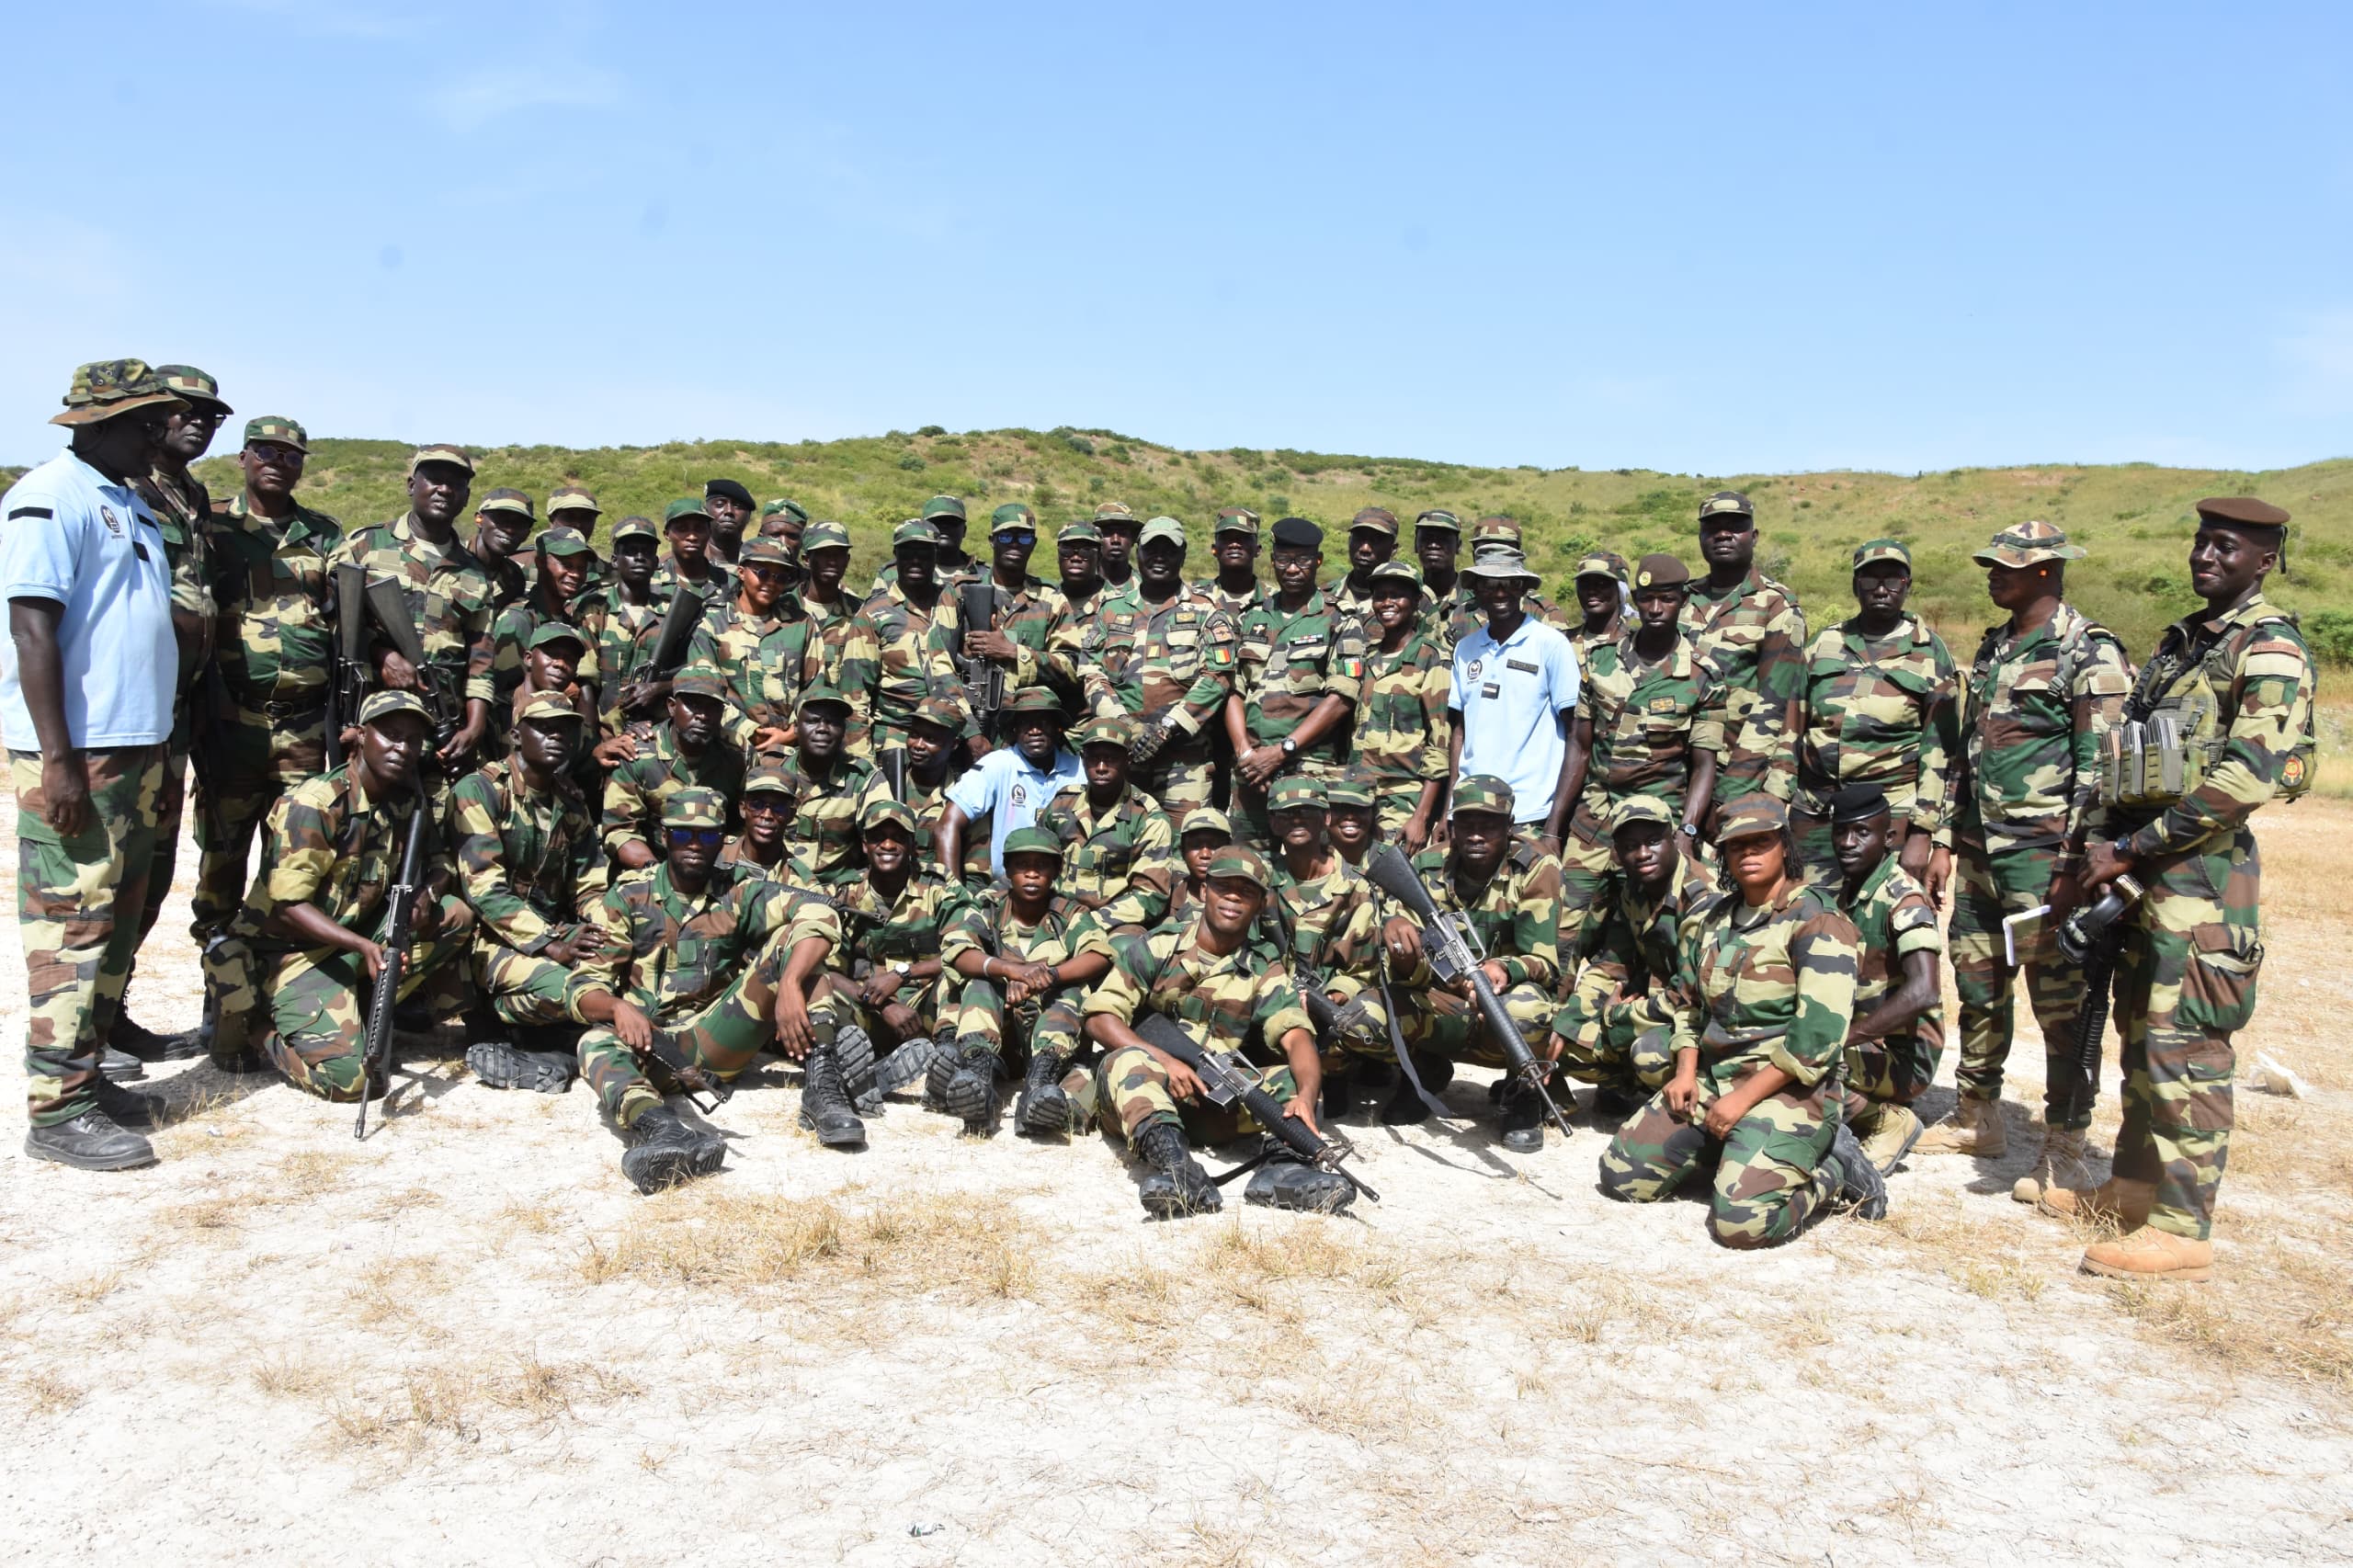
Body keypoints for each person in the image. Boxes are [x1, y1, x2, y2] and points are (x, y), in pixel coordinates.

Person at [2063, 497, 2316, 1282]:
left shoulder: (2268, 644)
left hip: (2204, 880)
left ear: (2265, 558)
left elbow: (2251, 774)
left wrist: (2135, 847)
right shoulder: (2184, 643)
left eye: (2227, 545)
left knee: (2191, 1048)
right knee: (2143, 1037)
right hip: (2147, 874)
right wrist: (2106, 842)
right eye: (2202, 541)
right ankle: (2135, 1188)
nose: (2207, 554)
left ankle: (2183, 1226)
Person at [6, 361, 188, 1167]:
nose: (158, 435)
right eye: (146, 422)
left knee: (117, 922)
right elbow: (34, 629)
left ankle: (87, 1078)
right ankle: (57, 1112)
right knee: (70, 930)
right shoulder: (53, 495)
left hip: (138, 748)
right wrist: (59, 760)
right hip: (82, 753)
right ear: (96, 424)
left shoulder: (127, 500)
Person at [1920, 521, 2131, 1179]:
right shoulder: (1995, 649)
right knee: (1979, 984)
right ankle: (1976, 1115)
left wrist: (2074, 866)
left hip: (2046, 861)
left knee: (2062, 1005)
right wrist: (1946, 842)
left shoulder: (2088, 653)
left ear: (2047, 571)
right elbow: (1968, 753)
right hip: (1983, 855)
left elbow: (2100, 773)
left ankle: (2064, 1143)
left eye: (2007, 566)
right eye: (1991, 564)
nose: (1993, 574)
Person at [1597, 797, 1888, 1245]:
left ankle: (1832, 1168)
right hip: (1716, 1079)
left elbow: (1815, 1042)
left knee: (1741, 1225)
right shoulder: (1713, 918)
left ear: (1784, 847)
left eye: (1761, 842)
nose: (1748, 853)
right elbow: (1691, 1006)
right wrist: (1686, 1072)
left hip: (1792, 1092)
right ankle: (1737, 1152)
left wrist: (1741, 1101)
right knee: (1622, 1176)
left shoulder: (1819, 922)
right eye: (1737, 846)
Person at [202, 692, 477, 1101]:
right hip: (288, 955)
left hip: (350, 941)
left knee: (454, 913)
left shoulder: (405, 801)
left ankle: (357, 1010)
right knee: (353, 1082)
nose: (402, 748)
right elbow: (289, 906)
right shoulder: (315, 803)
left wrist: (428, 892)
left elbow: (441, 863)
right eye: (390, 735)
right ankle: (257, 1026)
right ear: (361, 737)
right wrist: (363, 946)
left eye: (413, 740)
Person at [569, 788, 848, 1187]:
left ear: (724, 839)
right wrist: (616, 1007)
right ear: (664, 836)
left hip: (717, 1037)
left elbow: (820, 911)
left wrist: (788, 983)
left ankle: (824, 1088)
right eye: (683, 834)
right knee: (592, 1042)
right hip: (653, 1046)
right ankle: (663, 1130)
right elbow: (583, 987)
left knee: (803, 956)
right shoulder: (630, 895)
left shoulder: (739, 890)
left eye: (708, 835)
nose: (695, 845)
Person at [1077, 846, 1347, 1218]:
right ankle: (1177, 1170)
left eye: (1246, 891)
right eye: (1224, 887)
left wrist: (1305, 1095)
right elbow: (1100, 1016)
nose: (1233, 897)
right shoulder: (1161, 945)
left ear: (1260, 904)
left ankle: (1284, 1171)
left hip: (1217, 1104)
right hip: (1145, 1099)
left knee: (1292, 1079)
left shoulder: (1263, 965)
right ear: (1205, 892)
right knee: (1127, 1061)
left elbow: (1295, 1034)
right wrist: (1163, 1059)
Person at [190, 416, 345, 1053]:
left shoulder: (325, 536)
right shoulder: (214, 529)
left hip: (306, 725)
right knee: (222, 862)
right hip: (235, 724)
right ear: (244, 457)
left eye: (290, 454)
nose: (278, 462)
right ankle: (219, 993)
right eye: (266, 452)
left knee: (293, 864)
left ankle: (278, 987)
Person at [118, 365, 230, 1062]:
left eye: (210, 416)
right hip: (128, 710)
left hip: (178, 713)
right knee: (114, 869)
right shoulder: (120, 490)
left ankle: (110, 1011)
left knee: (153, 870)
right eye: (185, 409)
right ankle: (84, 1035)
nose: (197, 422)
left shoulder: (190, 494)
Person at [1376, 776, 1565, 1150]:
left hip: (1498, 999)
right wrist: (1398, 936)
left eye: (1489, 825)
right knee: (1366, 1014)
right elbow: (1397, 937)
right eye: (1467, 825)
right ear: (1451, 825)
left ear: (1509, 827)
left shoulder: (1536, 867)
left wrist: (1503, 969)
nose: (1476, 835)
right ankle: (1422, 1073)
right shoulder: (1427, 865)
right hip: (1441, 995)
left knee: (1527, 1008)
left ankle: (1522, 1092)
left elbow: (1545, 962)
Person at [449, 692, 609, 1094]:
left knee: (614, 967)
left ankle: (555, 1040)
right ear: (516, 736)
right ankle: (496, 1023)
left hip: (551, 934)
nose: (557, 736)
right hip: (488, 940)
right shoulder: (480, 791)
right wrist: (551, 941)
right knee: (572, 988)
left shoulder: (570, 803)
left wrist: (605, 935)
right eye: (544, 726)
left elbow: (590, 882)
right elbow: (485, 890)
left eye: (566, 729)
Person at [1555, 552, 1721, 926]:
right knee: (1566, 924)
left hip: (1659, 819)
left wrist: (1687, 832)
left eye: (1667, 598)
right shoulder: (1600, 662)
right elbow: (1579, 749)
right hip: (1594, 817)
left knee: (1663, 925)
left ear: (1684, 601)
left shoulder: (1702, 676)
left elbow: (1703, 764)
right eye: (1647, 599)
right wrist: (1553, 830)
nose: (1656, 608)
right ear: (1635, 599)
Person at [1792, 540, 1960, 890]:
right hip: (1817, 812)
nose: (1881, 589)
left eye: (1893, 580)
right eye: (1870, 580)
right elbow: (1793, 723)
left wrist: (1923, 832)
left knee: (1883, 922)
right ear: (1856, 586)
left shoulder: (1929, 651)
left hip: (1888, 815)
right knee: (1811, 918)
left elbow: (1940, 750)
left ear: (1907, 586)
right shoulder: (1826, 643)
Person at [1549, 796, 1721, 1123]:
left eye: (1653, 841)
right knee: (1555, 1033)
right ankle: (1631, 1091)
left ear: (1673, 838)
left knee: (1648, 1056)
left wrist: (1618, 1017)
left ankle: (1690, 1104)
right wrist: (1569, 1020)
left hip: (1702, 1024)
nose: (1642, 854)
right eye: (1630, 846)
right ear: (1617, 852)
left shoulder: (1701, 899)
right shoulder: (1634, 889)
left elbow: (1689, 999)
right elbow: (1612, 964)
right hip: (1656, 1011)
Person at [329, 445, 496, 773]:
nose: (444, 489)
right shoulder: (364, 546)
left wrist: (474, 727)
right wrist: (382, 655)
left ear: (466, 497)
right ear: (411, 486)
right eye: (433, 479)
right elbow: (333, 622)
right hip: (373, 726)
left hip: (441, 729)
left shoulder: (475, 573)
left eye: (456, 484)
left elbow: (481, 662)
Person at [935, 826, 1107, 1134]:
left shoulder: (1069, 913)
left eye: (1041, 866)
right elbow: (957, 950)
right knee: (979, 983)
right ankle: (978, 1079)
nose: (1031, 875)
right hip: (1001, 1037)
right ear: (1008, 870)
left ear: (1056, 871)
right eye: (1022, 866)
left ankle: (1039, 1086)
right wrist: (1011, 971)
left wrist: (1050, 976)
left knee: (1072, 991)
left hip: (1051, 1039)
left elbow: (1098, 954)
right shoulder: (989, 905)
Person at [1819, 783, 1946, 1177]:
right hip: (1866, 1046)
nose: (1848, 842)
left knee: (1805, 1061)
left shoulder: (1902, 899)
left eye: (1862, 833)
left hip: (1903, 1057)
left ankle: (1883, 1121)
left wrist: (1844, 1038)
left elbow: (1925, 989)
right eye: (1841, 831)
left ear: (1889, 837)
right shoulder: (1844, 894)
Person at [1082, 516, 1238, 819]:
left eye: (1169, 550)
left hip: (1185, 759)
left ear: (1183, 555)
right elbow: (1091, 673)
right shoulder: (1111, 610)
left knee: (1185, 847)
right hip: (1122, 754)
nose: (1159, 557)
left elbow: (1217, 677)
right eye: (1151, 549)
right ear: (1137, 552)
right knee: (1121, 842)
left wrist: (1166, 729)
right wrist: (1125, 724)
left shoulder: (1207, 610)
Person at [1226, 517, 1367, 850]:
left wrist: (1281, 751)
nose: (1292, 569)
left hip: (1308, 769)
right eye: (1284, 560)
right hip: (1251, 771)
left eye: (1302, 560)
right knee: (1249, 863)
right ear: (1272, 560)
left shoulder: (1340, 619)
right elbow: (1232, 689)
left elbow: (1342, 698)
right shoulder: (1250, 616)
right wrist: (1246, 753)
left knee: (1307, 863)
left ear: (1317, 561)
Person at [810, 798, 960, 1110]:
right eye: (878, 837)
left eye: (898, 837)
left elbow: (964, 951)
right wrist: (883, 1005)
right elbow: (826, 967)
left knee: (960, 981)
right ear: (865, 844)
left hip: (925, 1011)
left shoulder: (940, 888)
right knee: (817, 989)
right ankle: (850, 1069)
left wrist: (902, 974)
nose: (887, 845)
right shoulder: (844, 893)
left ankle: (946, 1065)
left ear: (912, 844)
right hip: (867, 1011)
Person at [1261, 775, 1387, 1108]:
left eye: (1307, 812)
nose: (1297, 820)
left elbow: (1362, 969)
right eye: (1286, 814)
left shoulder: (1356, 887)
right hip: (1273, 998)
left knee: (1362, 1017)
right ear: (1273, 823)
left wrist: (1331, 995)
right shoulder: (1261, 880)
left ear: (1326, 818)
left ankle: (1340, 1072)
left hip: (1325, 1003)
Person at [1449, 544, 1580, 854]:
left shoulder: (1550, 645)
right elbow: (1459, 732)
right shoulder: (1465, 649)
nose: (1500, 592)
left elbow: (1576, 734)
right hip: (1472, 810)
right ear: (1477, 590)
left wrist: (1553, 829)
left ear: (1522, 587)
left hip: (1530, 813)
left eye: (1510, 583)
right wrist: (1449, 810)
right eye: (1490, 584)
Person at [1678, 490, 1804, 814]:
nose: (1722, 534)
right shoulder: (1680, 599)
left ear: (1754, 536)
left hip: (1736, 776)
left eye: (1734, 526)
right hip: (1673, 773)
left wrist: (1731, 791)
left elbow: (1774, 706)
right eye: (1712, 528)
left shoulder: (1776, 605)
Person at [927, 502, 1080, 743]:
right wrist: (971, 733)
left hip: (1029, 736)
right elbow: (938, 666)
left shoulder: (1050, 599)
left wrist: (1012, 652)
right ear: (992, 540)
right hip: (965, 733)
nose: (1015, 544)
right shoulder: (960, 592)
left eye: (1025, 538)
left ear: (1035, 544)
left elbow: (1071, 667)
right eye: (1007, 536)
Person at [601, 666, 745, 869]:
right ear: (671, 706)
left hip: (720, 865)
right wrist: (657, 872)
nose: (702, 715)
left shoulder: (738, 753)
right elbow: (620, 830)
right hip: (652, 868)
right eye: (693, 705)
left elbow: (751, 820)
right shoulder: (637, 754)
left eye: (712, 707)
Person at [1351, 559, 1450, 849]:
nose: (1387, 603)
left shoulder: (1431, 658)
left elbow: (1439, 745)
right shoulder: (1365, 658)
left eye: (1397, 595)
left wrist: (1421, 816)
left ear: (1416, 600)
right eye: (1380, 596)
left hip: (1404, 796)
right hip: (1359, 794)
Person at [1030, 714, 1176, 910]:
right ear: (1082, 759)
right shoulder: (1061, 806)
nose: (1101, 767)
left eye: (1111, 759)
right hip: (1058, 912)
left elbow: (1150, 895)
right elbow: (1032, 863)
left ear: (1128, 760)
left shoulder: (1148, 818)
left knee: (1124, 942)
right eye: (1094, 758)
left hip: (1114, 922)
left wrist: (1090, 923)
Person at [688, 535, 816, 756]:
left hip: (790, 753)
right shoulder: (712, 627)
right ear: (741, 572)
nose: (770, 583)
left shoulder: (802, 625)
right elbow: (702, 691)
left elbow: (816, 687)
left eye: (780, 577)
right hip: (728, 750)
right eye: (763, 573)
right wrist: (750, 731)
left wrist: (793, 732)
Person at [937, 686, 1084, 877]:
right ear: (1014, 729)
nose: (1035, 731)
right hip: (1007, 891)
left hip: (1067, 890)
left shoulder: (1080, 770)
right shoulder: (996, 764)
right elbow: (948, 824)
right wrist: (950, 892)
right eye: (1026, 723)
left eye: (1043, 722)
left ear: (1058, 729)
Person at [772, 685, 893, 890]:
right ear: (795, 727)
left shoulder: (863, 779)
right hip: (775, 888)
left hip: (836, 892)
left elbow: (886, 839)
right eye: (812, 721)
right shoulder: (772, 771)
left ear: (843, 730)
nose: (822, 728)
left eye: (832, 722)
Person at [853, 520, 952, 770]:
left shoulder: (953, 602)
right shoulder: (873, 614)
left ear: (936, 555)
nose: (916, 560)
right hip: (895, 743)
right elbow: (855, 695)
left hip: (950, 742)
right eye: (908, 552)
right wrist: (862, 763)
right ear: (895, 555)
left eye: (924, 552)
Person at [490, 531, 600, 721]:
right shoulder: (517, 619)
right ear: (541, 563)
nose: (575, 574)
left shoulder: (570, 621)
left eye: (581, 568)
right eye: (566, 565)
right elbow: (504, 696)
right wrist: (562, 692)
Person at [590, 515, 671, 738]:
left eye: (646, 552)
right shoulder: (595, 611)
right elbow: (585, 685)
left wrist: (659, 688)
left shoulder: (673, 613)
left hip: (659, 734)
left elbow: (694, 670)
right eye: (631, 551)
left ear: (656, 562)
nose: (639, 557)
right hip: (605, 734)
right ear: (615, 560)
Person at [1467, 516, 1570, 631]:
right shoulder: (1462, 614)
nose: (1497, 556)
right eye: (1486, 551)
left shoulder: (1545, 614)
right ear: (1474, 556)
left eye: (1505, 550)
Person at [870, 495, 979, 596]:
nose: (944, 527)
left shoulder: (985, 575)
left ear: (964, 530)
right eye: (937, 522)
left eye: (952, 522)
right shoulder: (892, 573)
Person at [1411, 509, 1477, 650]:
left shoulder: (1477, 601)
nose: (1433, 545)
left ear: (1458, 546)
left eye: (1443, 539)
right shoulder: (1405, 601)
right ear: (1415, 545)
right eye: (1426, 538)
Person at [718, 759, 795, 881]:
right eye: (757, 805)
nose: (767, 815)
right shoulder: (714, 855)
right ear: (743, 809)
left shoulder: (801, 883)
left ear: (791, 815)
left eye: (778, 807)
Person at [1327, 506, 1403, 622]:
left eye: (1376, 541)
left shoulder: (1411, 601)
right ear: (1349, 541)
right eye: (1358, 539)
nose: (1365, 549)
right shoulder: (1324, 597)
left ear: (1393, 549)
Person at [469, 488, 537, 609]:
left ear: (527, 533)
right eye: (501, 519)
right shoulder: (450, 560)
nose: (509, 529)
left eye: (520, 524)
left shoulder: (514, 579)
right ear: (479, 519)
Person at [1565, 551, 1631, 667]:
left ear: (1620, 591)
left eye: (1602, 583)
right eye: (1585, 584)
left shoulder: (1636, 645)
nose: (1591, 591)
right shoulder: (1561, 642)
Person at [652, 496, 722, 601]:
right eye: (682, 529)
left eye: (699, 529)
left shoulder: (727, 582)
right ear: (667, 535)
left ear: (710, 532)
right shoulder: (651, 582)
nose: (692, 537)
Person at [1201, 507, 1263, 619]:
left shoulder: (1276, 602)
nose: (1234, 544)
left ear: (1258, 550)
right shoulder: (1194, 597)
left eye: (1243, 538)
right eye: (1226, 538)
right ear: (1214, 549)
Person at [1323, 773, 1380, 870]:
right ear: (1325, 814)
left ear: (1373, 812)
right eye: (1340, 808)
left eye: (1359, 808)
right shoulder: (1309, 859)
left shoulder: (1393, 857)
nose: (1349, 816)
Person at [1055, 518, 1108, 619]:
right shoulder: (1043, 601)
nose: (1076, 558)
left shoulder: (1118, 603)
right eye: (1067, 550)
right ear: (1058, 556)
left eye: (1086, 551)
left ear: (1099, 557)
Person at [704, 479, 755, 566]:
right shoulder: (681, 563)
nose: (729, 511)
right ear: (705, 512)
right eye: (719, 505)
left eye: (738, 506)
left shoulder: (758, 564)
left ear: (748, 516)